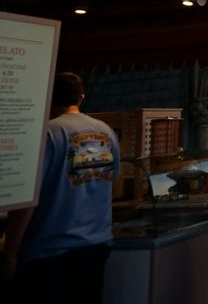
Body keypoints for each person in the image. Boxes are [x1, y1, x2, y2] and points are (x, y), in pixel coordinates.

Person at [2, 71, 120, 303]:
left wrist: (11, 252)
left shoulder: (47, 133)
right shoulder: (106, 132)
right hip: (96, 248)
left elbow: (27, 200)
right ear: (81, 98)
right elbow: (110, 184)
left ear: (47, 97)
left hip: (50, 254)